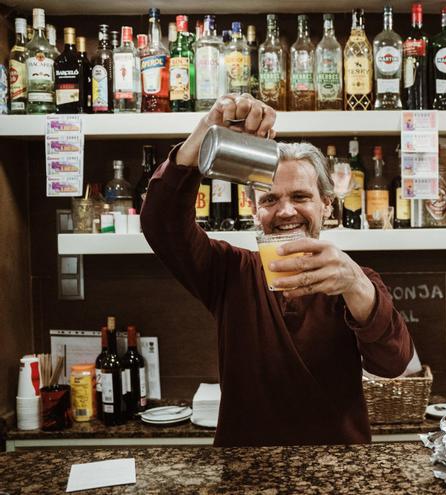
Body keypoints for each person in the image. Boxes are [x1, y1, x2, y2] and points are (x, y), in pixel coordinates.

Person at [140, 94, 414, 447]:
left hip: (336, 469)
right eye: (270, 199)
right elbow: (161, 223)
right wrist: (206, 131)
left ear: (326, 206)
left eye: (300, 197)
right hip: (246, 469)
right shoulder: (230, 272)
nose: (285, 211)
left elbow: (394, 363)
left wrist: (355, 283)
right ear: (256, 211)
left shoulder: (354, 280)